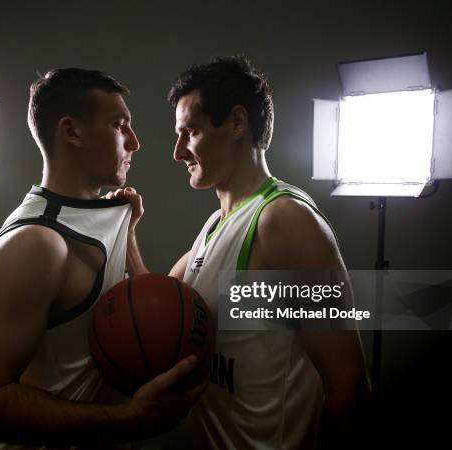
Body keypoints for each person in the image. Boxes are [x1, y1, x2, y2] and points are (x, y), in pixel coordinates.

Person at [118, 56, 370, 449]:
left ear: (237, 123)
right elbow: (155, 309)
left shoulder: (282, 221)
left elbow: (348, 384)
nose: (178, 152)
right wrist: (127, 230)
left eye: (191, 133)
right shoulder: (215, 226)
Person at [0, 68, 206, 450]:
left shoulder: (111, 211)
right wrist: (127, 420)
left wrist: (129, 231)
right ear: (71, 131)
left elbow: (142, 316)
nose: (135, 142)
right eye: (120, 125)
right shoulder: (36, 243)